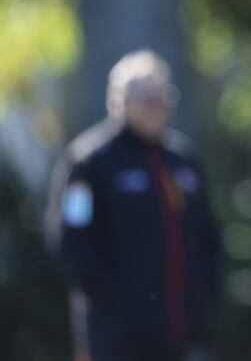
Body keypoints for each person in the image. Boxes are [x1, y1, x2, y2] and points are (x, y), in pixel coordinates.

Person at [45, 50, 219, 361]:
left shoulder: (182, 161)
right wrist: (115, 303)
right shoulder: (88, 163)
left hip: (181, 335)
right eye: (147, 98)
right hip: (115, 340)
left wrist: (204, 300)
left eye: (164, 97)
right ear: (120, 100)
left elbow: (208, 237)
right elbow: (71, 244)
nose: (157, 107)